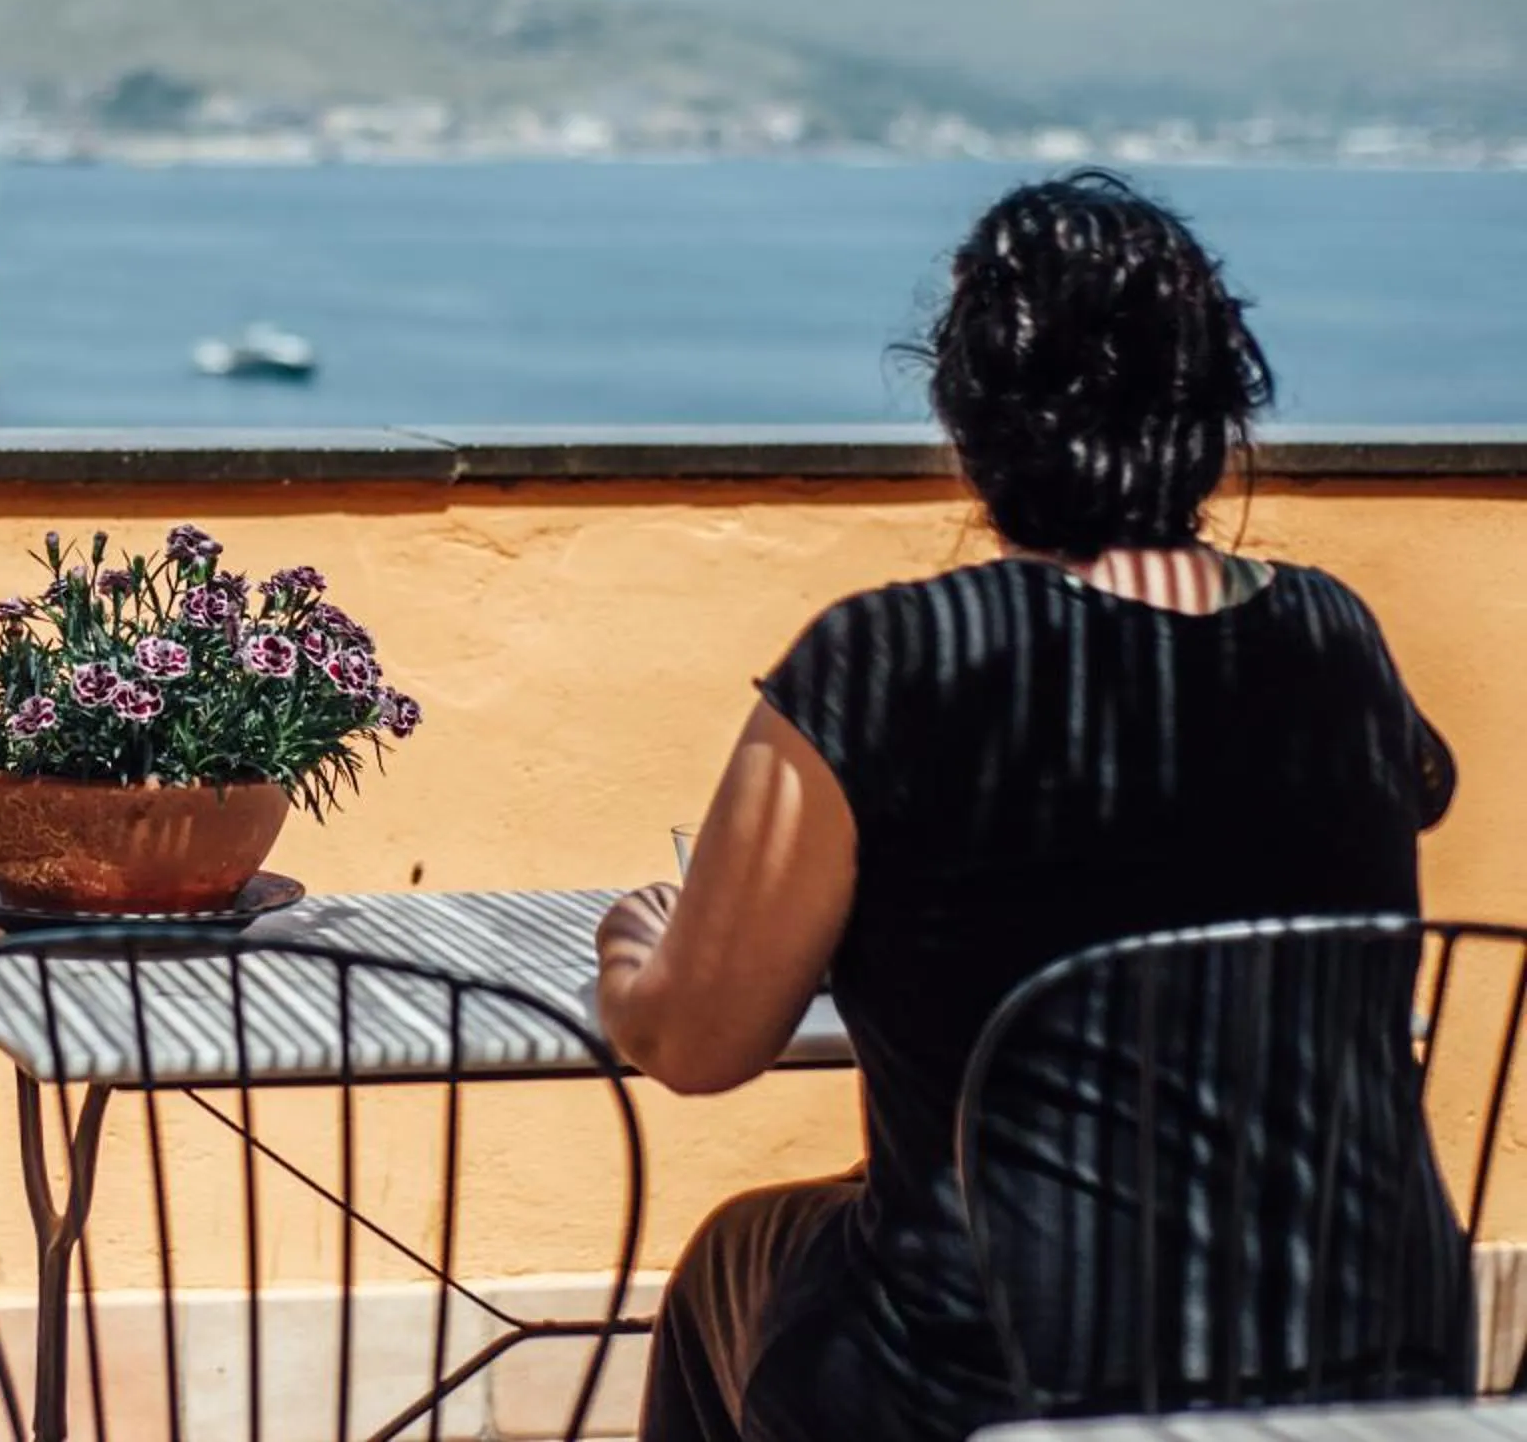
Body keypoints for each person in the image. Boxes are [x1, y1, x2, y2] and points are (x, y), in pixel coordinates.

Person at [593, 170, 1463, 1441]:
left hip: (1002, 1371)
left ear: (966, 419)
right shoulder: (1336, 638)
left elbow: (698, 1043)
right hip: (1370, 1343)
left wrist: (634, 947)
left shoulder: (892, 663)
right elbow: (1412, 787)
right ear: (1218, 415)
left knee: (739, 1255)